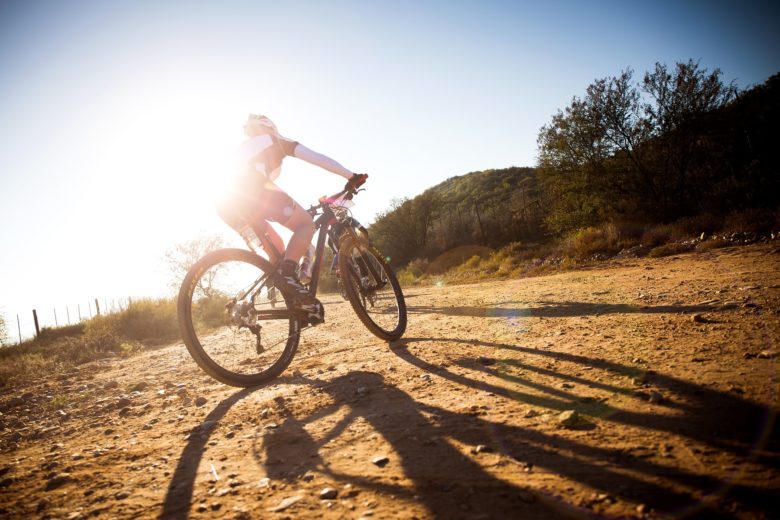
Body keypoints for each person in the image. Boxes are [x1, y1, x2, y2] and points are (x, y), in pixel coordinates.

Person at [217, 114, 367, 324]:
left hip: (225, 203)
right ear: (269, 127)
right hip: (253, 191)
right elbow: (317, 158)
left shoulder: (243, 147)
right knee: (305, 224)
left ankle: (294, 303)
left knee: (278, 255)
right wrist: (351, 176)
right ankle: (289, 278)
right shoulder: (275, 139)